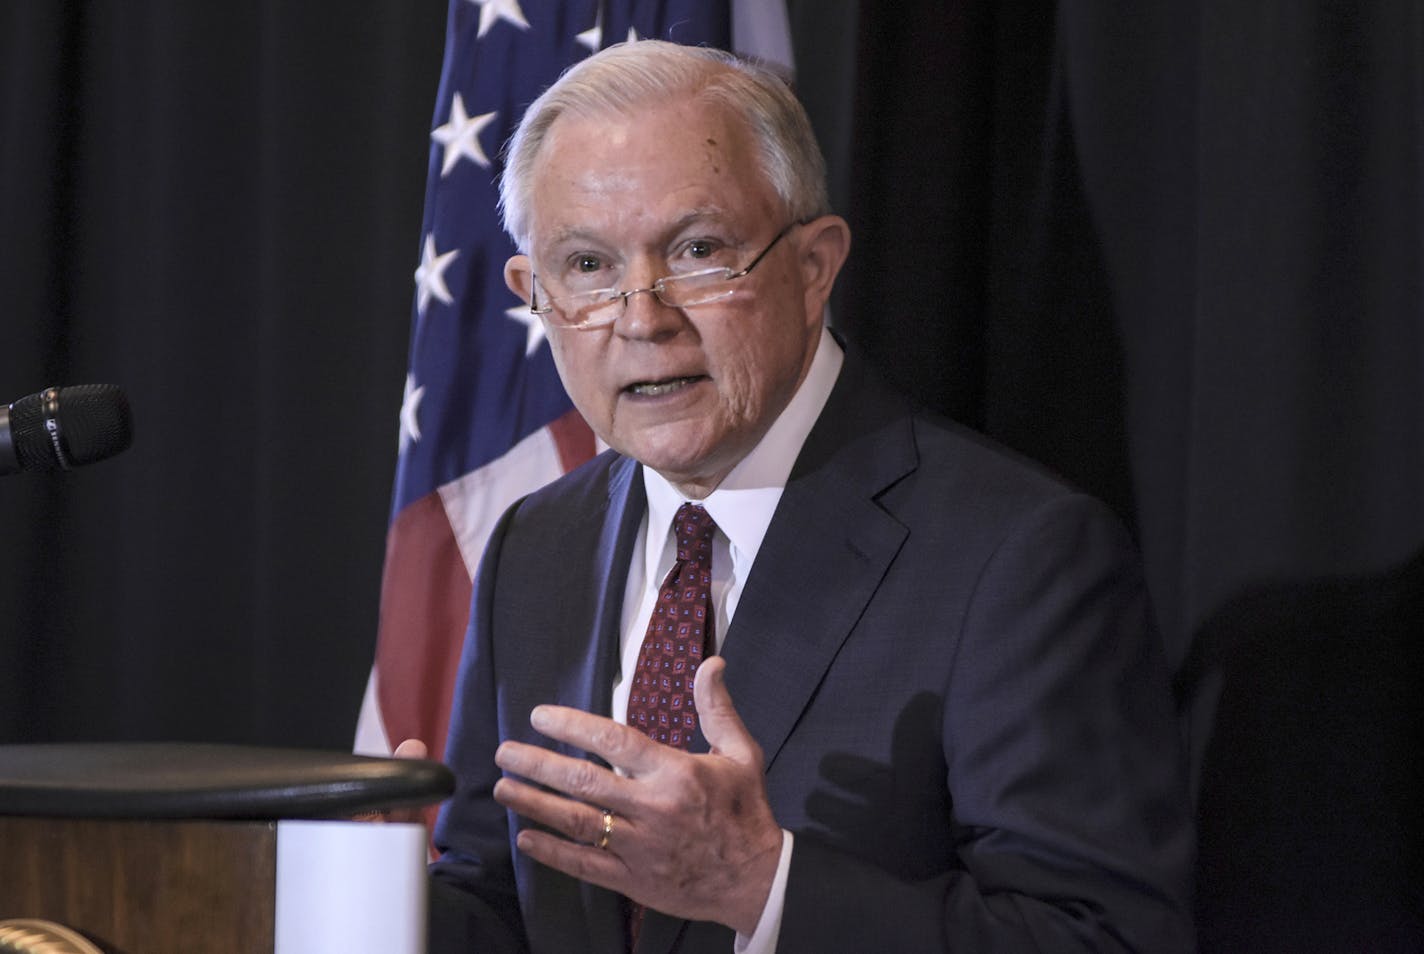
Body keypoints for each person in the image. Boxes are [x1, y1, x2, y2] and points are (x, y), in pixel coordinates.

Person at [422, 39, 1195, 954]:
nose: (641, 317)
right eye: (587, 266)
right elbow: (500, 904)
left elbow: (1110, 939)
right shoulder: (536, 542)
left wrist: (765, 891)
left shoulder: (1019, 557)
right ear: (532, 293)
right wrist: (375, 896)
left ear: (815, 265)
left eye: (698, 250)